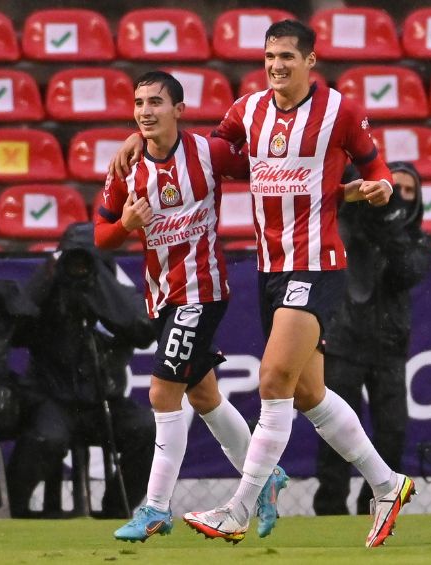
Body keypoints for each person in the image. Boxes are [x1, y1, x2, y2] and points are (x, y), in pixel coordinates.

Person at [111, 20, 415, 548]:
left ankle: (239, 507)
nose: (276, 65)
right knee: (308, 392)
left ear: (310, 61)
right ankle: (388, 485)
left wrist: (381, 185)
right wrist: (144, 136)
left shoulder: (337, 111)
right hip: (270, 268)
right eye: (270, 56)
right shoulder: (246, 111)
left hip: (316, 262)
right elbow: (204, 154)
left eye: (288, 57)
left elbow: (374, 161)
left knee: (273, 380)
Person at [95, 71, 288, 543]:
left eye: (156, 102)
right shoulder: (126, 167)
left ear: (178, 110)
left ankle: (155, 508)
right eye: (139, 103)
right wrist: (125, 223)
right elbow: (100, 236)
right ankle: (265, 477)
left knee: (163, 393)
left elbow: (264, 157)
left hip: (202, 289)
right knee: (202, 395)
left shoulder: (208, 151)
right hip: (161, 294)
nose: (145, 111)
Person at [4, 223, 157, 519]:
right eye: (72, 259)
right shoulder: (46, 294)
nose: (79, 267)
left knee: (148, 429)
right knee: (47, 439)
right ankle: (10, 503)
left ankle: (116, 509)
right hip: (53, 399)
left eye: (87, 260)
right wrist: (47, 279)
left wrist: (100, 287)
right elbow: (14, 328)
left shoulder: (117, 297)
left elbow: (142, 329)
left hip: (104, 402)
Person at [313, 161, 431, 516]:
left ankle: (374, 506)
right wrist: (369, 208)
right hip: (344, 342)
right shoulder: (345, 224)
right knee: (336, 433)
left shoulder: (418, 240)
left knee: (392, 433)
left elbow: (405, 273)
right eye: (396, 188)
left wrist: (390, 225)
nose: (402, 198)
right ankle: (330, 508)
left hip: (390, 348)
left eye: (410, 192)